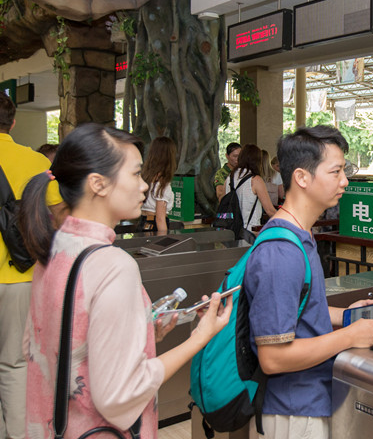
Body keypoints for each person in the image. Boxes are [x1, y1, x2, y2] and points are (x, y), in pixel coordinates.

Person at [18, 123, 231, 439]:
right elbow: (119, 396)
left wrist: (143, 331)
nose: (144, 186)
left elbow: (56, 344)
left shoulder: (52, 250)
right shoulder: (113, 266)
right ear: (98, 183)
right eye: (135, 174)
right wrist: (200, 337)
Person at [244, 126, 373, 438]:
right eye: (335, 171)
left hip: (310, 402)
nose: (344, 180)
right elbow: (273, 357)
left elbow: (299, 309)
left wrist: (345, 316)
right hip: (292, 412)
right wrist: (349, 336)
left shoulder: (301, 235)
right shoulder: (281, 252)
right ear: (302, 177)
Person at [0, 92, 66, 439]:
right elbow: (60, 213)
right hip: (19, 275)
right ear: (12, 123)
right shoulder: (34, 161)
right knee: (13, 364)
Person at [224, 145, 277, 236]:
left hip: (232, 231)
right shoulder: (255, 180)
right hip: (250, 231)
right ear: (257, 161)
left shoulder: (230, 177)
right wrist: (288, 222)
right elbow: (269, 210)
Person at [140, 136, 177, 233]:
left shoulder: (146, 177)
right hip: (155, 225)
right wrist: (164, 239)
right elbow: (160, 219)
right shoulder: (162, 183)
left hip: (144, 222)